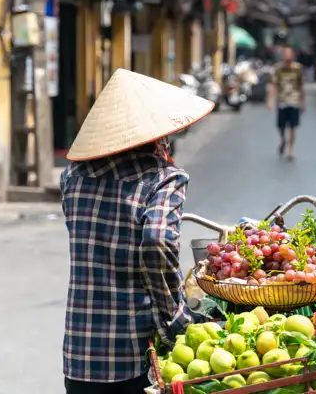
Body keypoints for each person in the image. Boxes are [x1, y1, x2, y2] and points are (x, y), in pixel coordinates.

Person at [60, 68, 215, 394]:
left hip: (80, 353)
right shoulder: (163, 178)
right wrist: (175, 315)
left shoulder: (72, 177)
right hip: (132, 354)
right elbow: (158, 241)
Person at [268, 45, 305, 160]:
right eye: (285, 54)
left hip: (294, 101)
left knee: (293, 126)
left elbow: (301, 86)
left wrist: (303, 102)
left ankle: (290, 150)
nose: (287, 56)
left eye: (289, 54)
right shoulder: (278, 68)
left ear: (292, 55)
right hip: (282, 101)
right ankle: (283, 140)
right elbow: (274, 85)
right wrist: (270, 100)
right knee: (281, 126)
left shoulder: (298, 68)